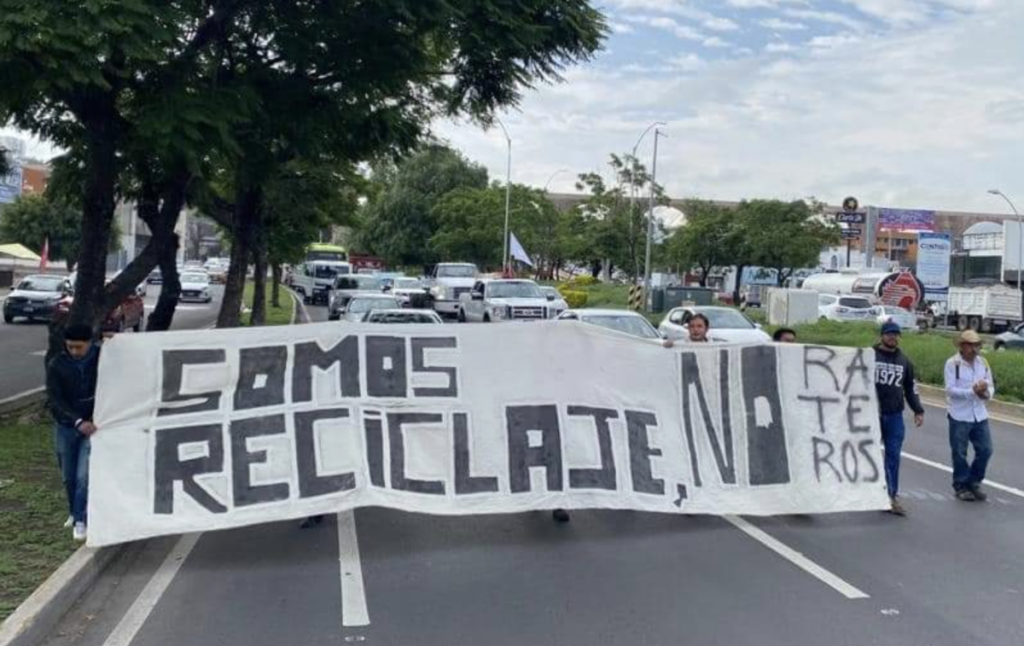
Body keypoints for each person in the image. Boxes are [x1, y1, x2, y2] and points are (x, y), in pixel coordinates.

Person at [46, 324, 101, 541]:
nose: (75, 351)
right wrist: (76, 421)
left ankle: (81, 520)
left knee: (83, 476)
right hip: (67, 427)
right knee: (68, 476)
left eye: (79, 347)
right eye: (71, 347)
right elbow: (55, 399)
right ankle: (73, 510)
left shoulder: (102, 357)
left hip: (93, 426)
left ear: (90, 343)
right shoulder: (57, 364)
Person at [873, 321, 924, 516]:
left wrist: (918, 410)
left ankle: (891, 495)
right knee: (867, 454)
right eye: (889, 334)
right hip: (871, 414)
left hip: (894, 415)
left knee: (893, 455)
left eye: (896, 334)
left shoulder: (905, 362)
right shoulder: (869, 356)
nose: (893, 337)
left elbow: (911, 389)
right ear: (882, 336)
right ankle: (865, 491)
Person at [944, 330, 995, 502]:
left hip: (979, 414)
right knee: (959, 452)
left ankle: (973, 481)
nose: (974, 349)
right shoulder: (952, 364)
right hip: (959, 415)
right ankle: (960, 485)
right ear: (962, 346)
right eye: (970, 345)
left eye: (977, 345)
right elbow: (951, 390)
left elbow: (990, 386)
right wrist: (971, 392)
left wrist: (986, 394)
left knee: (986, 450)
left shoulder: (983, 363)